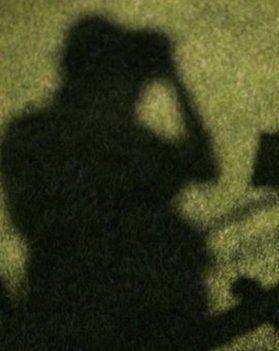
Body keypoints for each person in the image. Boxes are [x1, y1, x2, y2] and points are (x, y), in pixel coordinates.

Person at [1, 16, 218, 349]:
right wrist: (174, 81)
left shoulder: (27, 136)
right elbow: (203, 165)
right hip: (141, 319)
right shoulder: (122, 142)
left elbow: (28, 217)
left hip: (61, 316)